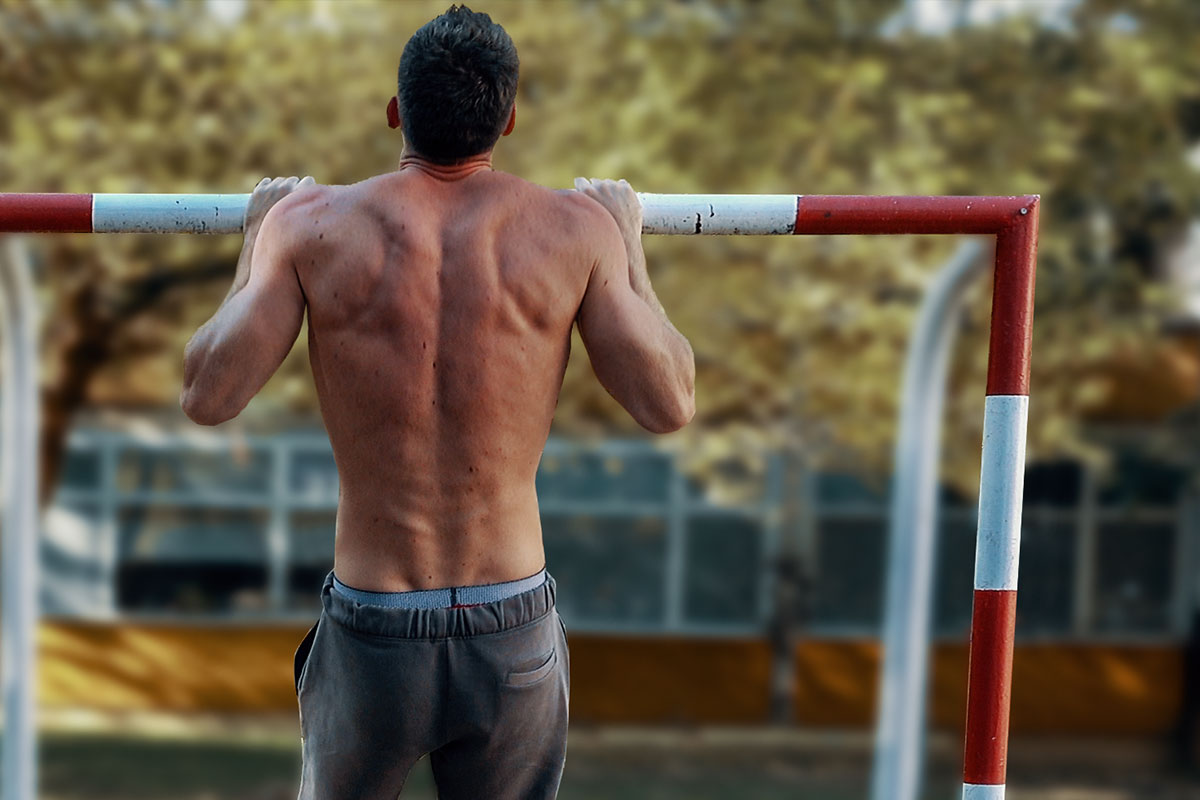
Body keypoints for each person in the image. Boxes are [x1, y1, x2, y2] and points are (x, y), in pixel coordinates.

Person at [178, 5, 695, 798]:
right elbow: (671, 402)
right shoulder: (576, 231)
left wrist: (256, 242)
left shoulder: (311, 226)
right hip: (512, 629)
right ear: (510, 119)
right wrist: (629, 253)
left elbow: (208, 394)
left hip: (373, 626)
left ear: (396, 112)